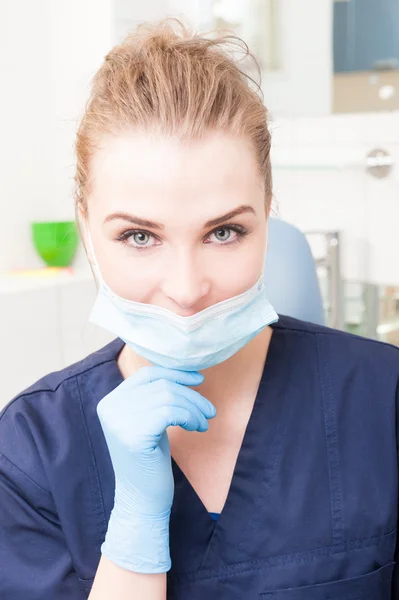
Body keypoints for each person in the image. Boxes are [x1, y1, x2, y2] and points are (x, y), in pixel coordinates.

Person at [0, 18, 398, 600]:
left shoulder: (382, 399)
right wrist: (133, 534)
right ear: (85, 225)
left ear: (269, 209)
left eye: (224, 232)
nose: (186, 289)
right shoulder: (31, 452)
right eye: (140, 236)